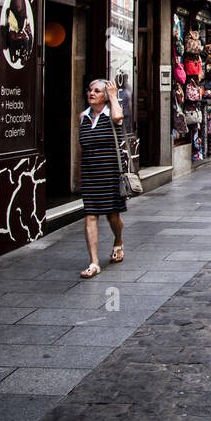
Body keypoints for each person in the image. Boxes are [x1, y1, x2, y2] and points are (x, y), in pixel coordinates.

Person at [77, 79, 126, 278]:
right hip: (90, 173)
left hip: (110, 172)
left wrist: (113, 96)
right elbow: (81, 146)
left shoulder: (111, 112)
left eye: (97, 91)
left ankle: (118, 241)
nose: (91, 93)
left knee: (113, 215)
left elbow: (118, 117)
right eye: (90, 90)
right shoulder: (83, 117)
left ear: (105, 96)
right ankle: (94, 262)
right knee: (90, 215)